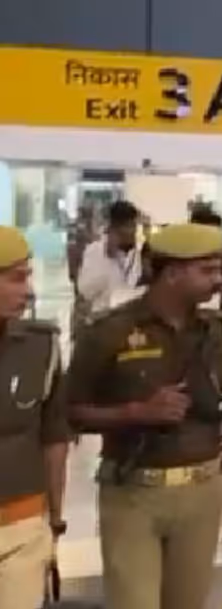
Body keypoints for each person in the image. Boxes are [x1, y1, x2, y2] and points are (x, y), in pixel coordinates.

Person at [66, 223, 222, 609]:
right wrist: (135, 412)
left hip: (203, 491)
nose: (219, 280)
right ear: (172, 273)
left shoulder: (217, 333)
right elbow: (70, 411)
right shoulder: (110, 331)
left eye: (220, 269)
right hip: (133, 493)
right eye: (207, 270)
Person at [0, 227, 69, 609]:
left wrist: (55, 519)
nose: (27, 291)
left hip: (23, 526)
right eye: (15, 278)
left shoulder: (41, 348)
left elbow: (54, 437)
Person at [76, 200, 141, 314]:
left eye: (135, 225)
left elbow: (132, 286)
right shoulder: (95, 251)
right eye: (130, 226)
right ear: (116, 228)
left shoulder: (135, 254)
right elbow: (86, 291)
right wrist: (110, 259)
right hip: (101, 317)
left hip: (127, 316)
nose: (134, 231)